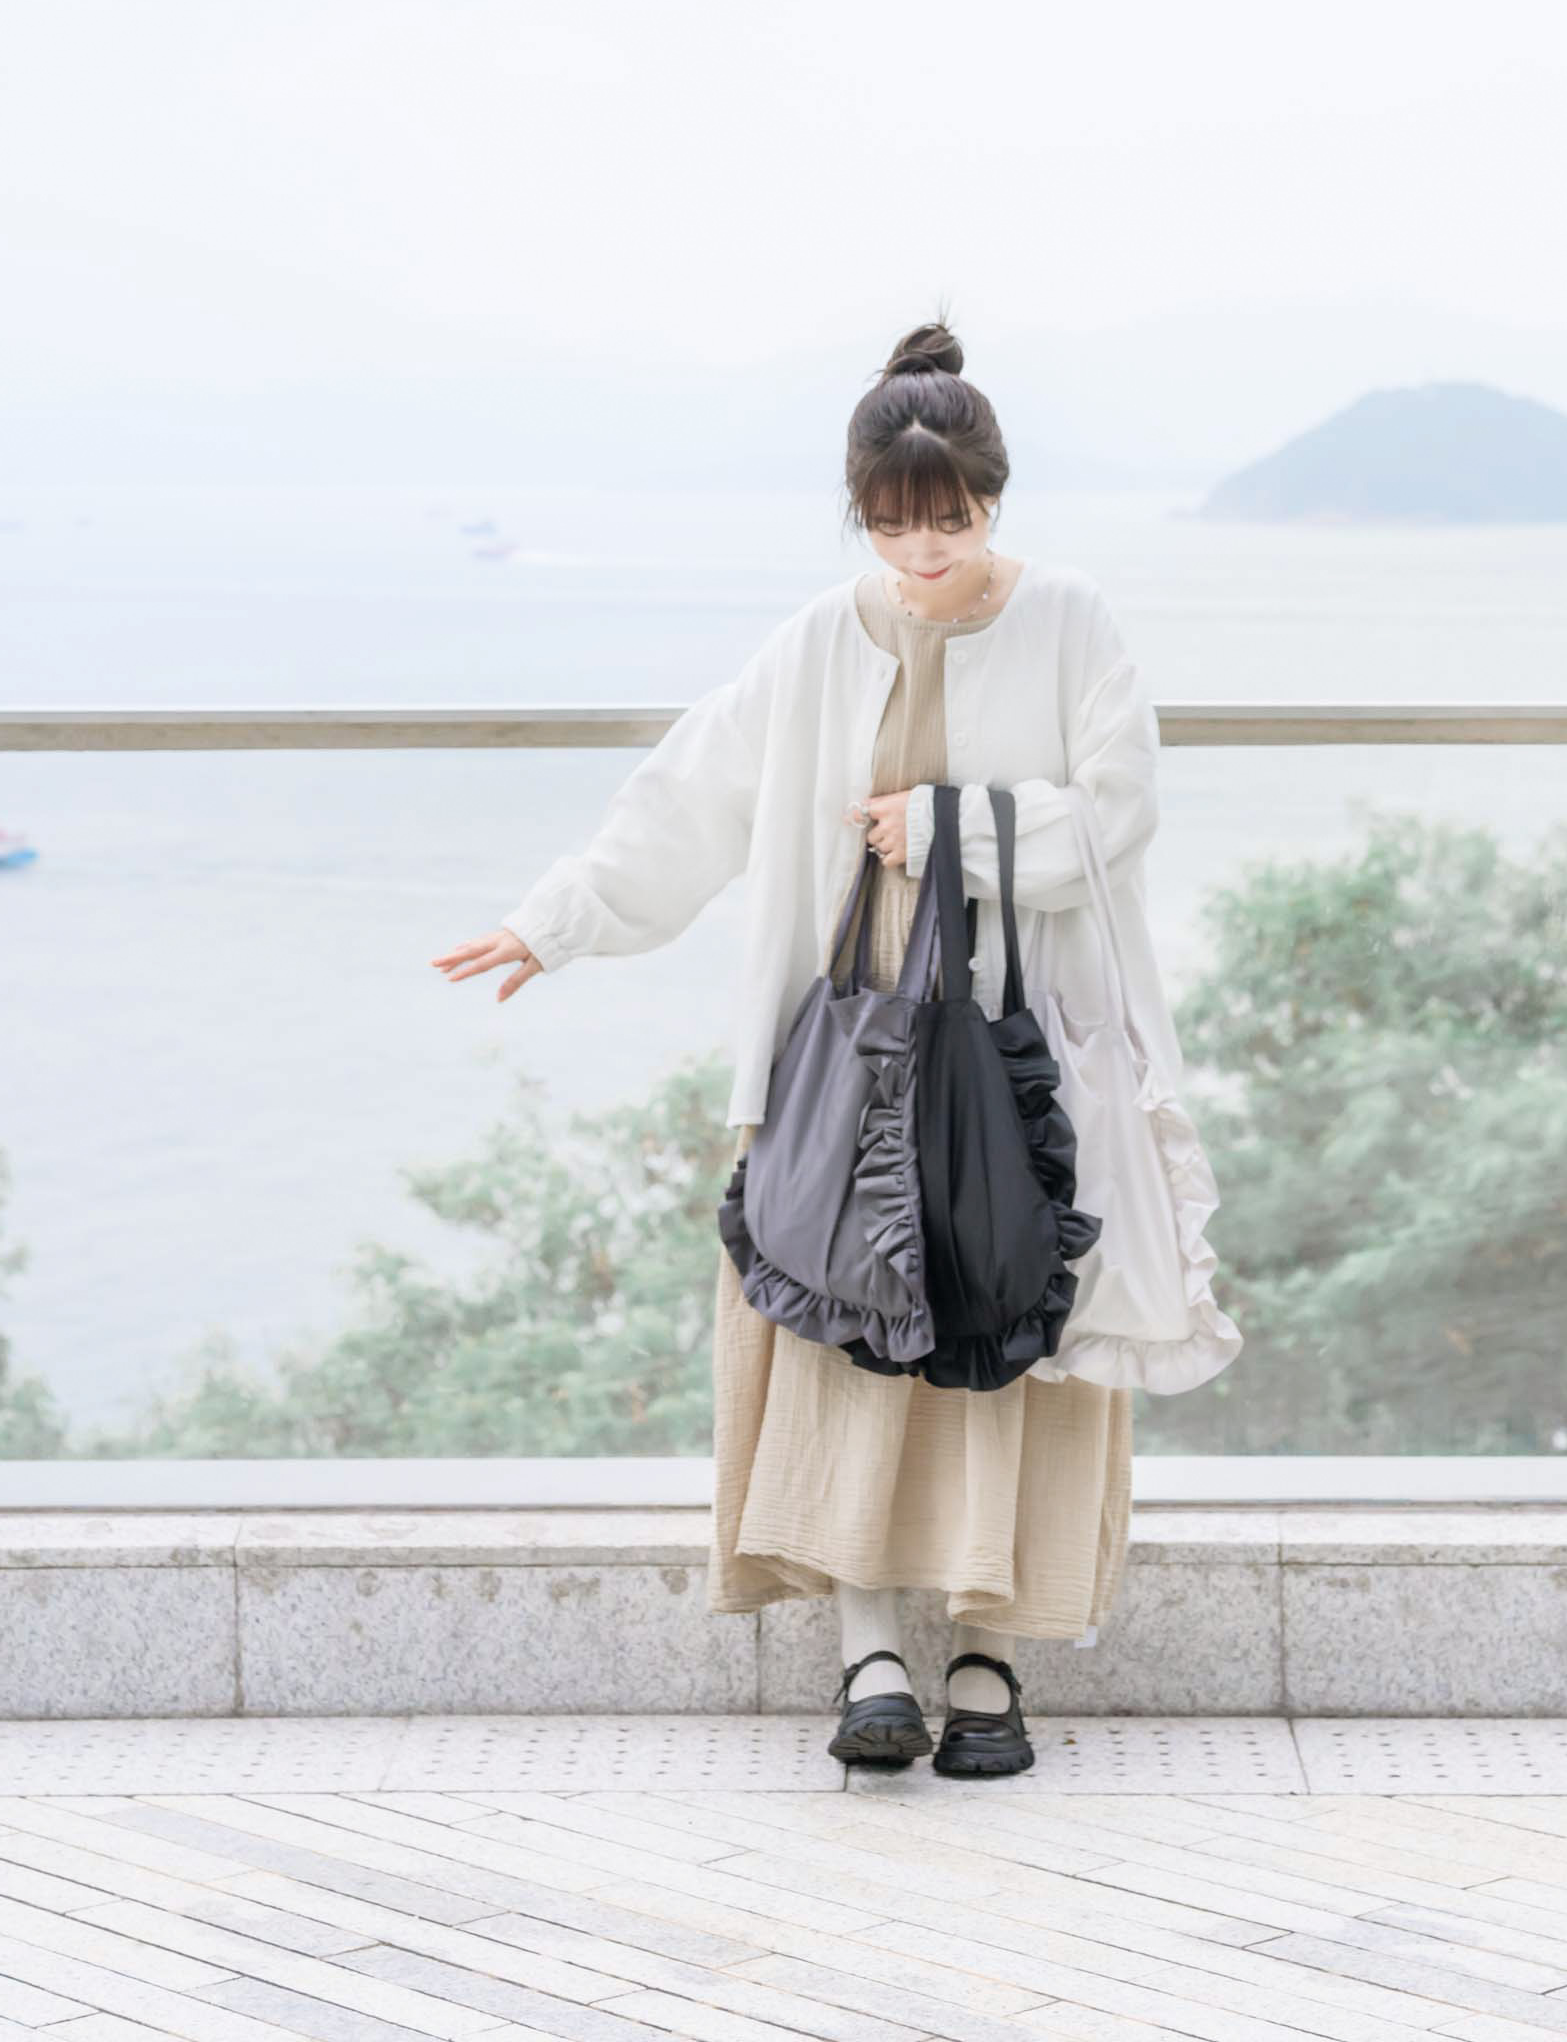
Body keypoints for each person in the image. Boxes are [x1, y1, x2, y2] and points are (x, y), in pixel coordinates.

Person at [434, 316, 1181, 1779]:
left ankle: (989, 1652)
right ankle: (871, 1652)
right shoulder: (816, 641)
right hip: (847, 1040)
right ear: (861, 514)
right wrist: (553, 922)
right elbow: (692, 797)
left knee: (1009, 1318)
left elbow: (1122, 811)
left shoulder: (1073, 622)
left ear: (994, 498)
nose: (924, 554)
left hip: (1017, 1045)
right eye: (894, 527)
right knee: (844, 1320)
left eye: (950, 521)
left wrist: (949, 826)